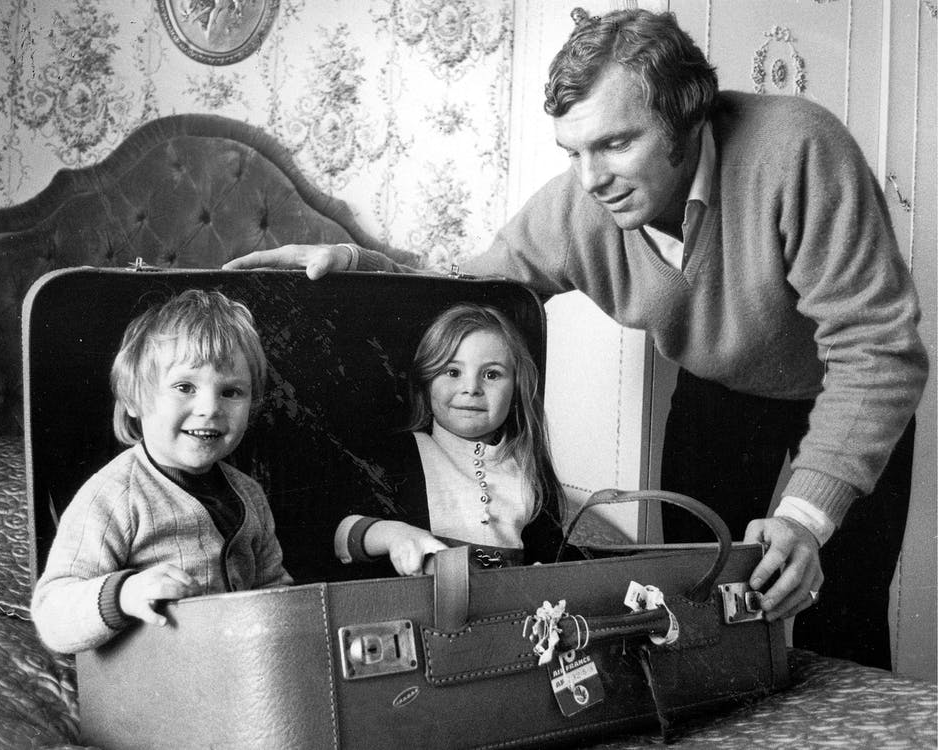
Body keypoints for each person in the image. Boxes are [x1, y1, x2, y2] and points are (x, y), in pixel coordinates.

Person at [223, 8, 926, 669]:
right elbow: (468, 294)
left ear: (688, 114)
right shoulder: (577, 205)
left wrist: (804, 518)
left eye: (617, 143)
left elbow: (878, 350)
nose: (592, 180)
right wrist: (354, 266)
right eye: (574, 151)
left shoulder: (800, 148)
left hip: (847, 392)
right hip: (715, 391)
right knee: (696, 615)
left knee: (845, 619)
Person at [31, 289, 292, 654]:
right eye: (185, 387)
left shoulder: (250, 494)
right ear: (135, 399)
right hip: (156, 684)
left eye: (231, 392)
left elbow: (274, 593)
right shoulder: (113, 496)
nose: (209, 408)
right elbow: (51, 613)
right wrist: (124, 594)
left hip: (240, 674)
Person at [334, 303, 566, 575]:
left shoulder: (529, 466)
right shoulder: (399, 454)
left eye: (492, 374)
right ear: (426, 381)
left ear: (516, 388)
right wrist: (392, 534)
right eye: (453, 372)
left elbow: (551, 558)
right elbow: (342, 535)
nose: (471, 389)